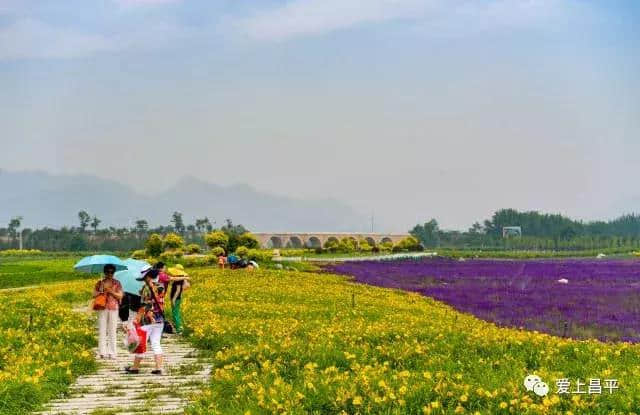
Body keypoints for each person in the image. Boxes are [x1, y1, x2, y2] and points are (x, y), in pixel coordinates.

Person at [125, 268, 164, 375]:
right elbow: (157, 300)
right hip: (159, 319)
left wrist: (135, 319)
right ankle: (159, 368)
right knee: (156, 343)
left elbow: (144, 306)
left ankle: (135, 368)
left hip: (147, 320)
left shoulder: (146, 288)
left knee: (141, 343)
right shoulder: (161, 286)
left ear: (147, 277)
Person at [93, 264, 123, 359]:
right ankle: (102, 352)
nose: (109, 274)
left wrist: (110, 291)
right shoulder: (100, 283)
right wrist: (101, 291)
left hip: (113, 307)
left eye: (111, 272)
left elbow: (120, 296)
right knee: (102, 329)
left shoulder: (117, 283)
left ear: (114, 273)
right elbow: (93, 294)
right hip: (102, 307)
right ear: (104, 272)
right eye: (107, 272)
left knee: (112, 330)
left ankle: (112, 352)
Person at [167, 264, 191, 334]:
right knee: (176, 313)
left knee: (175, 313)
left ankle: (179, 329)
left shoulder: (178, 280)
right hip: (178, 298)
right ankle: (179, 328)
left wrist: (173, 299)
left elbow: (178, 290)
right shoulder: (181, 279)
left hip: (176, 298)